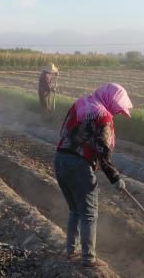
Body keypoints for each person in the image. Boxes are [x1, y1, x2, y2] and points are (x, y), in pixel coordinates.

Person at [54, 83, 133, 268]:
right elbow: (103, 152)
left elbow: (64, 131)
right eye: (118, 109)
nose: (117, 113)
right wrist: (115, 178)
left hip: (60, 159)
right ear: (112, 101)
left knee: (75, 209)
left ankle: (71, 252)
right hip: (79, 166)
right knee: (89, 214)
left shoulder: (82, 104)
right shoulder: (103, 116)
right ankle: (88, 258)